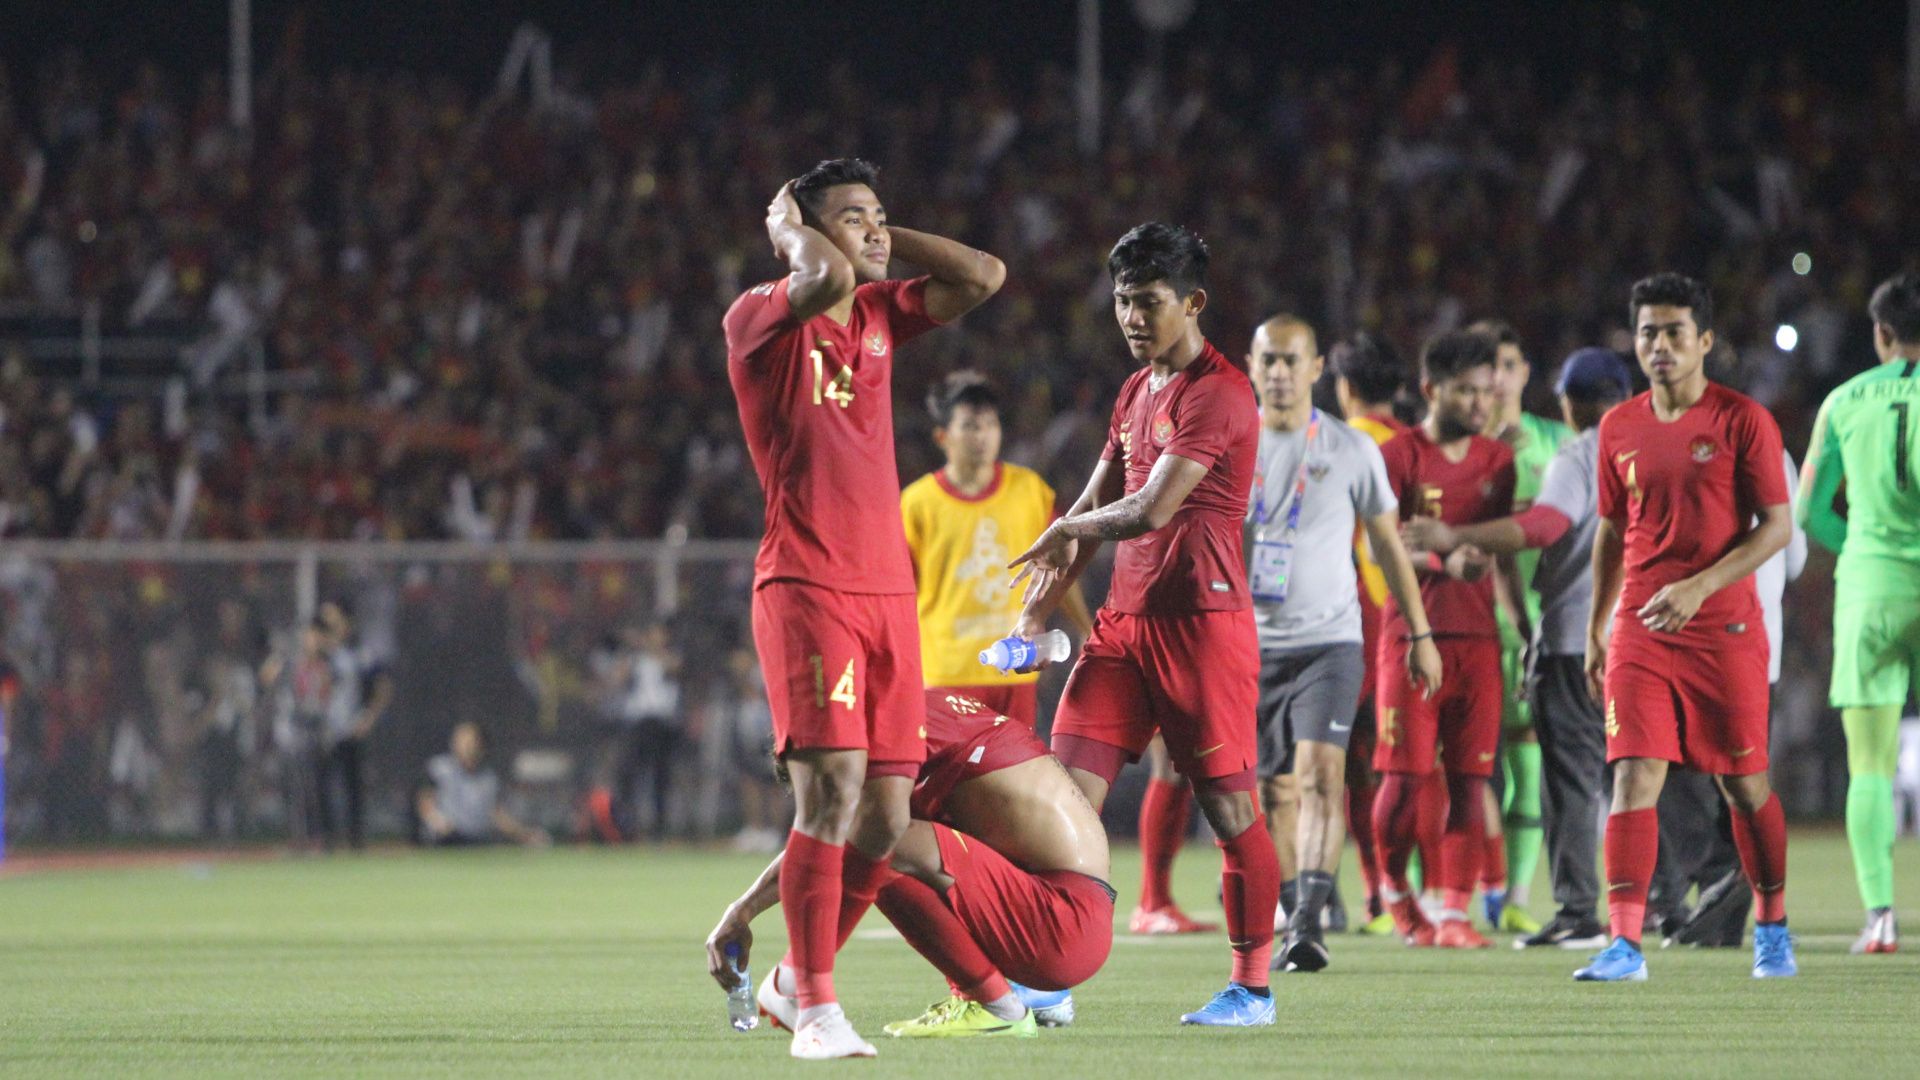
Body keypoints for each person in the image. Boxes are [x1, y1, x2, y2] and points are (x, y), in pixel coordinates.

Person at [722, 157, 1004, 1059]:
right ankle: (818, 1014)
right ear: (800, 229)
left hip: (890, 597)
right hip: (807, 588)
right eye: (854, 215)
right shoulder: (759, 318)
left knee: (885, 816)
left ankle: (792, 984)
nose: (875, 231)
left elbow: (983, 276)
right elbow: (826, 276)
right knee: (832, 792)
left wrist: (880, 233)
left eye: (882, 215)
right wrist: (796, 231)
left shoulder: (880, 314)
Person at [1008, 222, 1278, 1027]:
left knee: (1231, 814)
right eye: (1123, 302)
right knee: (1062, 804)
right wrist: (1036, 604)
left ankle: (1252, 988)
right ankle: (1050, 980)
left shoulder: (1221, 392)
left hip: (1203, 627)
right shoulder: (1135, 392)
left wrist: (1068, 534)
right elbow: (1091, 508)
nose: (1132, 317)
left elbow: (1154, 506)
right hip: (1124, 627)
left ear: (1192, 303)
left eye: (1149, 303)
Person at [1575, 272, 1794, 982]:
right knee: (1634, 775)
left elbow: (1778, 529)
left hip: (1723, 627)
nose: (1660, 345)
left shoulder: (1743, 421)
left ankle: (1771, 922)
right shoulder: (1619, 426)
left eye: (1674, 332)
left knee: (1744, 786)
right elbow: (1612, 529)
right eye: (1648, 332)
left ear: (1704, 340)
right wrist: (1597, 622)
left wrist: (1701, 587)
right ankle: (1626, 943)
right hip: (1642, 623)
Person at [706, 689, 1112, 1039]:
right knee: (876, 841)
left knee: (880, 839)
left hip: (1064, 918)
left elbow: (840, 833)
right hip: (1056, 914)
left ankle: (994, 1004)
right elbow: (831, 837)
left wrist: (752, 912)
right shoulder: (903, 722)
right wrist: (743, 909)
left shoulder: (898, 723)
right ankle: (996, 1001)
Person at [1401, 347, 1631, 949]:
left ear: (1567, 403)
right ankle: (1668, 905)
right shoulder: (1651, 450)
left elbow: (1545, 527)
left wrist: (1457, 533)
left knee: (1568, 779)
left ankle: (1578, 909)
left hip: (1574, 638)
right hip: (1655, 634)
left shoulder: (1575, 454)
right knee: (1653, 775)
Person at [1244, 314, 1442, 973]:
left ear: (1316, 367)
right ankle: (1299, 904)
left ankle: (1306, 924)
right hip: (1248, 643)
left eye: (1289, 360)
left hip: (1330, 640)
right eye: (1267, 359)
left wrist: (1420, 633)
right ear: (1249, 365)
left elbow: (1388, 545)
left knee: (1322, 774)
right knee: (1272, 791)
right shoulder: (1226, 445)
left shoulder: (1352, 450)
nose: (1277, 372)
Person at [1369, 331, 1519, 950]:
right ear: (1431, 390)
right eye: (1466, 391)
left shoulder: (1498, 463)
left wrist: (1524, 630)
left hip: (1480, 641)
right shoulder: (1400, 456)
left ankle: (1454, 912)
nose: (1480, 403)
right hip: (1412, 637)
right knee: (1403, 784)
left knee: (1470, 780)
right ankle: (1397, 892)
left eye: (1487, 392)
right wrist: (1443, 561)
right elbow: (1388, 546)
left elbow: (1505, 551)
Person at [1797, 270, 1920, 956]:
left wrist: (1861, 550)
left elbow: (1811, 510)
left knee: (1869, 762)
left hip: (1871, 588)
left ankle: (1880, 917)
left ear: (1880, 333)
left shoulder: (1843, 401)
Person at [1650, 445, 1805, 948]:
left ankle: (1700, 900)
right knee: (1736, 782)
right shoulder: (1767, 446)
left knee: (1681, 778)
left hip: (1697, 638)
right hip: (1760, 646)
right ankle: (1715, 908)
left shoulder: (1661, 436)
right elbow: (1795, 557)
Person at [901, 371, 1093, 727]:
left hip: (1016, 664)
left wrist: (1085, 627)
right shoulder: (916, 504)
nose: (983, 435)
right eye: (971, 426)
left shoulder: (1029, 491)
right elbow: (898, 592)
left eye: (990, 424)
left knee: (1013, 778)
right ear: (943, 437)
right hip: (946, 672)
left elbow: (1060, 569)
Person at [1467, 318, 1573, 936]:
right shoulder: (1455, 450)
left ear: (1525, 372)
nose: (1498, 380)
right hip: (1470, 632)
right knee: (1467, 772)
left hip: (1539, 633)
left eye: (1508, 366)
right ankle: (1458, 891)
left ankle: (1515, 894)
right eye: (1487, 368)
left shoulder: (1559, 444)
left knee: (1528, 775)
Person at [1331, 333, 1415, 935]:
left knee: (1322, 761)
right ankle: (1398, 893)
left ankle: (1318, 892)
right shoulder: (1418, 446)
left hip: (1353, 614)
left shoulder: (1340, 445)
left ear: (1345, 388)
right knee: (1399, 764)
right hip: (1419, 617)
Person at [413, 722, 548, 847]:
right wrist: (437, 821)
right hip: (444, 840)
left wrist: (523, 834)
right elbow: (425, 803)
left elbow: (496, 814)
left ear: (480, 744)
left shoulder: (489, 778)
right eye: (460, 739)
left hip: (477, 841)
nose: (464, 745)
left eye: (469, 740)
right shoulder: (438, 769)